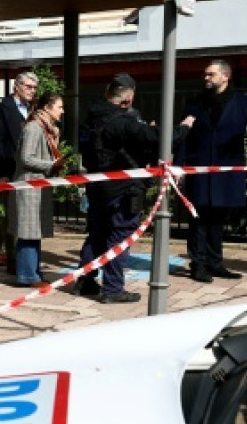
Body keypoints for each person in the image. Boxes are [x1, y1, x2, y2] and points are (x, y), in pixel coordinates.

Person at [76, 74, 192, 303]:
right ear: (127, 101)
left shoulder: (91, 119)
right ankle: (113, 289)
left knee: (97, 235)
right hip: (122, 190)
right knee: (119, 237)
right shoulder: (122, 122)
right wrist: (184, 128)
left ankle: (86, 281)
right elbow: (157, 138)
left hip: (97, 186)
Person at [177, 60, 247, 282]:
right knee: (198, 218)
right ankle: (198, 265)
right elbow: (185, 137)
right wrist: (180, 166)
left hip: (227, 170)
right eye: (205, 75)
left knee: (218, 219)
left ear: (225, 76)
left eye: (211, 75)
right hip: (199, 168)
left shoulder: (244, 103)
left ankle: (215, 263)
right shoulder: (194, 103)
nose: (206, 78)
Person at [11, 92, 65, 287]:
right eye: (59, 107)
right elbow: (25, 158)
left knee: (34, 231)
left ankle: (33, 273)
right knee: (28, 232)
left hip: (36, 186)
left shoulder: (44, 128)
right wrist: (50, 165)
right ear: (47, 108)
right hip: (28, 186)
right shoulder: (34, 128)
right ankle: (27, 276)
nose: (62, 111)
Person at [0, 72, 38, 271]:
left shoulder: (32, 110)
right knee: (13, 215)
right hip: (8, 170)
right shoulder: (3, 109)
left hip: (26, 171)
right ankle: (12, 261)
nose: (32, 91)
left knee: (15, 214)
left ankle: (0, 254)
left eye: (34, 88)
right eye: (28, 86)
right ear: (17, 87)